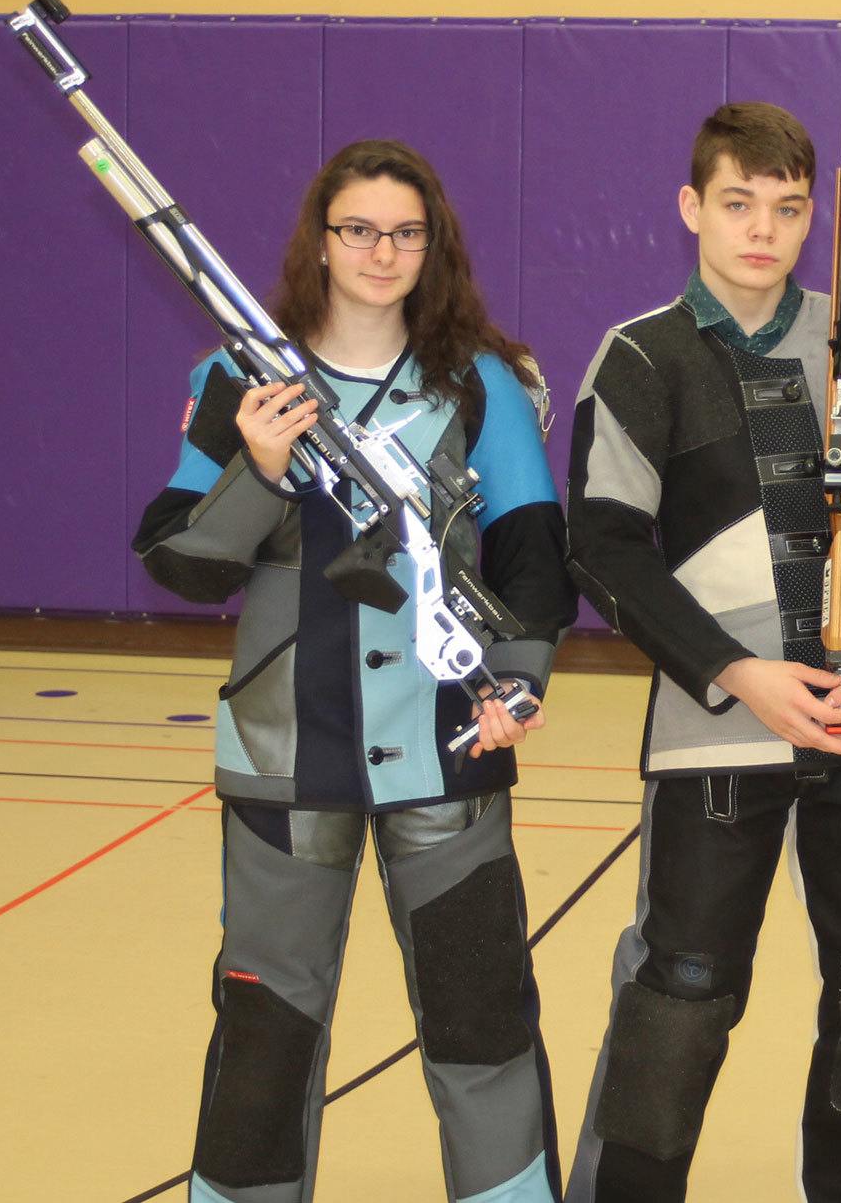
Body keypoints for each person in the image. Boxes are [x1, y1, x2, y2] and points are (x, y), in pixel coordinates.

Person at [133, 139, 573, 1202]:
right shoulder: (236, 380)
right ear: (320, 243)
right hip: (284, 756)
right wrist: (261, 471)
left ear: (434, 248)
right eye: (359, 229)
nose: (382, 251)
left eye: (405, 232)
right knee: (268, 1022)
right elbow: (179, 562)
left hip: (450, 747)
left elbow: (533, 550)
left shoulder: (482, 385)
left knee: (480, 1019)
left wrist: (515, 684)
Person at [562, 102, 841, 1203]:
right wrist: (736, 672)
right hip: (716, 735)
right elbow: (603, 548)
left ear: (814, 215)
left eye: (786, 209)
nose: (761, 231)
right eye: (736, 204)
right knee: (678, 1003)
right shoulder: (639, 357)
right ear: (692, 207)